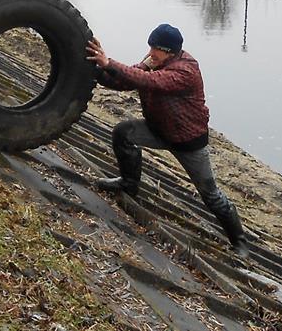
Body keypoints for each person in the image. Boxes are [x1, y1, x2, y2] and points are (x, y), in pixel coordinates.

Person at [85, 25, 248, 256]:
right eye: (150, 47)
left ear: (170, 52)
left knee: (210, 194)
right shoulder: (154, 60)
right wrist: (99, 69)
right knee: (123, 133)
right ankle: (128, 184)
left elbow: (148, 81)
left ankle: (239, 242)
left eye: (156, 49)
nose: (151, 52)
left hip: (187, 142)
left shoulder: (186, 71)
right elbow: (127, 81)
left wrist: (109, 62)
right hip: (158, 130)